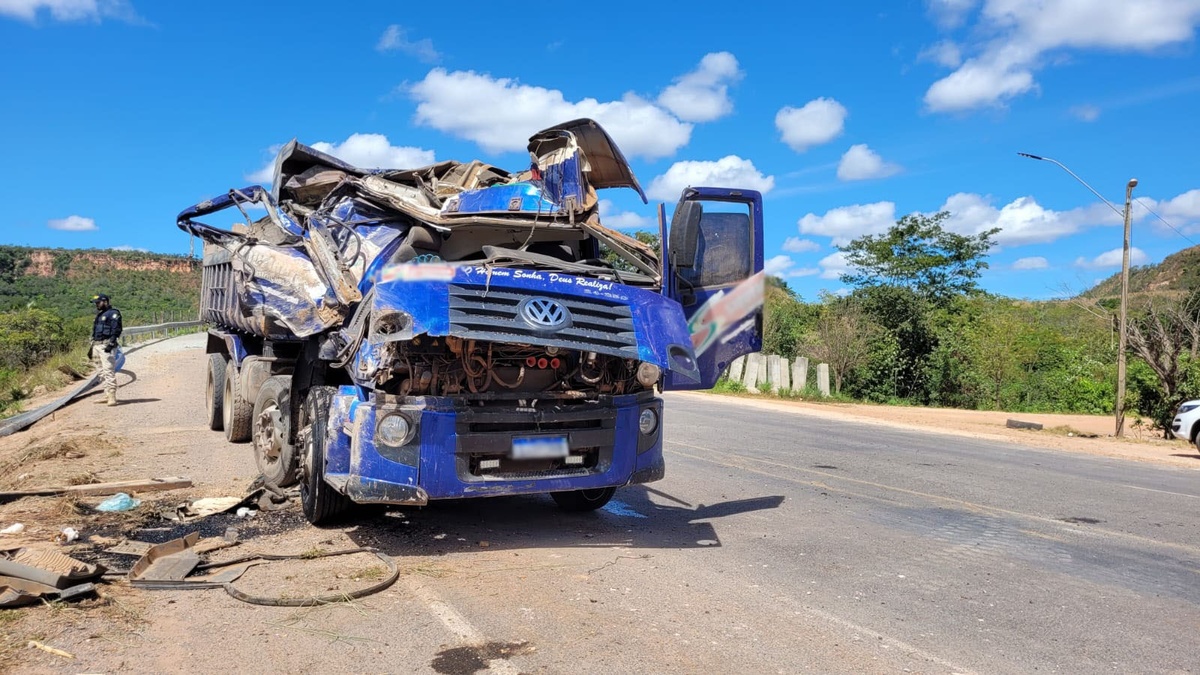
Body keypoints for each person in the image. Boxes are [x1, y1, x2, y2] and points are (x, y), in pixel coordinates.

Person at [89, 293, 123, 406]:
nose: (97, 305)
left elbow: (116, 329)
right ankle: (107, 394)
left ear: (105, 301)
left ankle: (112, 396)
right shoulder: (99, 315)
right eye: (96, 303)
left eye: (98, 302)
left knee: (108, 371)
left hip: (106, 345)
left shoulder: (113, 313)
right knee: (100, 372)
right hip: (96, 345)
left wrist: (111, 343)